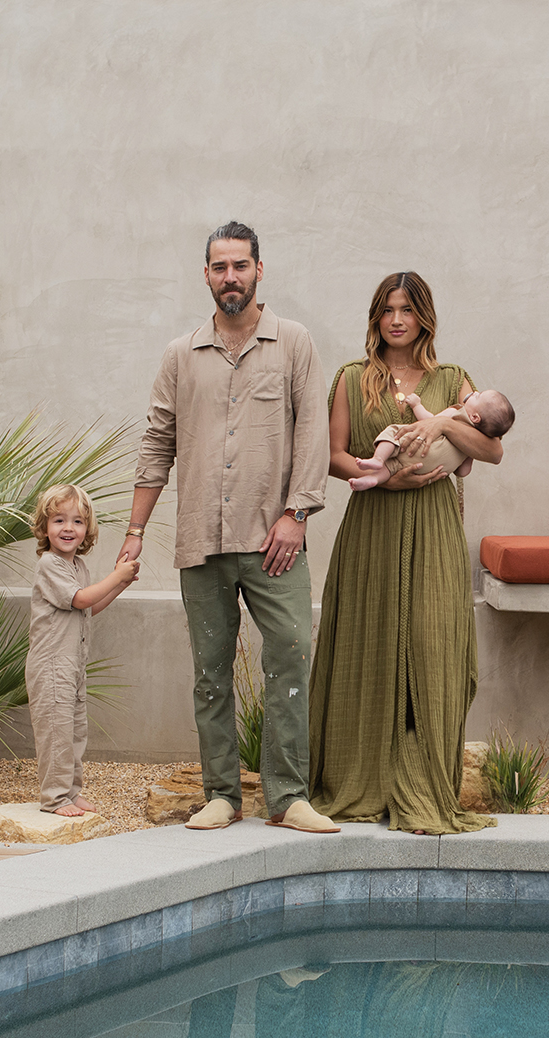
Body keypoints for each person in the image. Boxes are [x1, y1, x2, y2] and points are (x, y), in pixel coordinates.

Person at [116, 221, 340, 834]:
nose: (230, 277)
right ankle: (221, 793)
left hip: (276, 540)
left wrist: (297, 515)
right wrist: (134, 532)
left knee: (291, 656)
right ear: (206, 275)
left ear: (259, 270)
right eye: (220, 267)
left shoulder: (293, 342)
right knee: (210, 671)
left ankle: (288, 796)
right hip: (202, 540)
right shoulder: (180, 354)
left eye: (240, 266)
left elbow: (313, 436)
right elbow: (157, 441)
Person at [309, 271, 503, 835]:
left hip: (436, 528)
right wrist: (386, 482)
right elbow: (331, 455)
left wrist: (442, 418)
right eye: (388, 310)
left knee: (431, 644)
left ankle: (421, 787)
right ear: (376, 317)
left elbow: (491, 448)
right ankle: (360, 777)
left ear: (424, 317)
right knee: (368, 642)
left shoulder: (453, 379)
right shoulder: (352, 378)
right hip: (373, 522)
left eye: (408, 310)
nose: (397, 319)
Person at [28, 483, 139, 816]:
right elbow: (81, 598)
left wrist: (119, 583)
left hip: (72, 665)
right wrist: (114, 575)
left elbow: (88, 607)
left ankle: (71, 791)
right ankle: (54, 797)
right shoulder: (50, 565)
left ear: (87, 529)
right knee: (56, 733)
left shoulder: (77, 567)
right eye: (59, 520)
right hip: (51, 666)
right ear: (44, 528)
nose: (68, 528)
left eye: (77, 521)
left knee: (75, 731)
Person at [346, 388, 515, 491]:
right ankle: (373, 479)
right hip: (429, 469)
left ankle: (378, 459)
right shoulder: (471, 444)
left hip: (415, 448)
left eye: (478, 396)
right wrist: (467, 454)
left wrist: (416, 405)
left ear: (476, 417)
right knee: (394, 468)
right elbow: (463, 472)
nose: (475, 392)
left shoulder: (457, 412)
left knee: (394, 434)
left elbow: (430, 420)